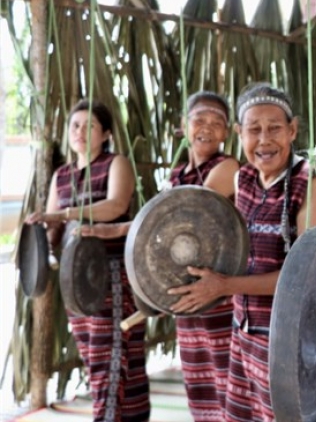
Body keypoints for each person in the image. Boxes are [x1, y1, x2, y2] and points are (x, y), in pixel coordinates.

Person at [165, 83, 316, 422]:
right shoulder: (243, 178)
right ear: (238, 134)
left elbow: (307, 276)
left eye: (275, 128)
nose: (264, 140)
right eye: (253, 130)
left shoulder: (311, 182)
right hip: (244, 333)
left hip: (289, 340)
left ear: (292, 130)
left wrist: (224, 286)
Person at [80, 91, 240, 421]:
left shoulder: (227, 167)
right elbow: (159, 224)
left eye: (216, 122)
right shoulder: (177, 175)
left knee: (227, 386)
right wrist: (120, 230)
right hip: (187, 296)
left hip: (218, 294)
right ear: (184, 125)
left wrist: (121, 229)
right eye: (199, 120)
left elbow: (187, 214)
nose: (206, 128)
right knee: (200, 388)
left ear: (227, 133)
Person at [25, 99, 150, 422]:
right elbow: (54, 227)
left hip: (114, 276)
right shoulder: (61, 176)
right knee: (98, 360)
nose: (80, 131)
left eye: (89, 125)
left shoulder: (115, 163)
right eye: (75, 125)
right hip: (76, 282)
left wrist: (62, 214)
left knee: (113, 359)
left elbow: (115, 205)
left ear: (105, 133)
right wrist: (40, 227)